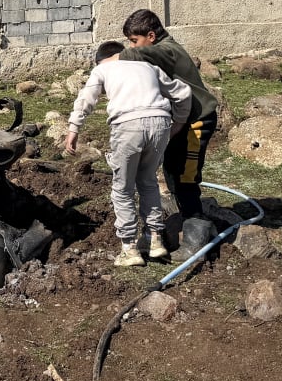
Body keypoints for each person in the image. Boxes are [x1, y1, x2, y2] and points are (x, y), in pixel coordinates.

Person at [64, 40, 191, 267]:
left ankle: (129, 248)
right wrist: (178, 122)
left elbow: (86, 99)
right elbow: (182, 92)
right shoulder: (149, 67)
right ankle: (155, 241)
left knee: (123, 188)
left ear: (103, 59)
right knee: (149, 181)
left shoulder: (102, 69)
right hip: (160, 122)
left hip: (128, 125)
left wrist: (73, 128)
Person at [119, 9, 219, 223]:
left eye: (135, 40)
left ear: (151, 37)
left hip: (197, 121)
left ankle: (195, 222)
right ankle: (182, 210)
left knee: (186, 174)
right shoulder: (163, 49)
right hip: (182, 120)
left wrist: (112, 58)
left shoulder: (168, 50)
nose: (133, 46)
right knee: (172, 166)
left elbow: (133, 55)